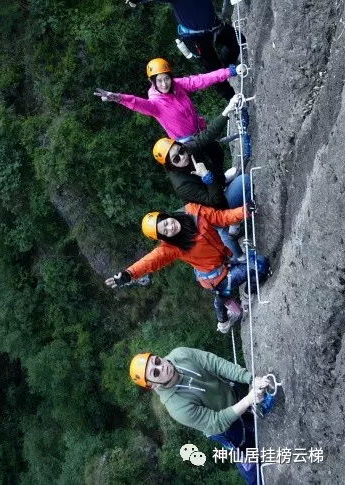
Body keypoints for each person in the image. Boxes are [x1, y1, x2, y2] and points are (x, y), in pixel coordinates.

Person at [106, 205, 269, 333]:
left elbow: (220, 217)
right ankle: (246, 298)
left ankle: (224, 302)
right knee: (260, 265)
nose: (170, 228)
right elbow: (151, 261)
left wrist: (244, 211)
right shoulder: (173, 247)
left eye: (166, 223)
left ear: (168, 215)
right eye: (165, 232)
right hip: (216, 276)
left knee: (248, 270)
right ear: (164, 238)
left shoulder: (194, 211)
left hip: (223, 260)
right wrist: (129, 274)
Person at [128, 346, 272, 484]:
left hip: (231, 395)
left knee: (255, 425)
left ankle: (254, 413)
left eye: (157, 361)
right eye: (155, 373)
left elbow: (215, 364)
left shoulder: (180, 354)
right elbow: (216, 422)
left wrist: (250, 378)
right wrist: (248, 400)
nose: (161, 368)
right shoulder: (177, 407)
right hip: (225, 429)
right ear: (152, 385)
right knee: (248, 459)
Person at [126, 0, 240, 99]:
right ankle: (235, 101)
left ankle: (227, 66)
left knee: (238, 42)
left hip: (214, 24)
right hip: (195, 38)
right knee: (214, 73)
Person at [151, 93, 252, 259]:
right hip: (211, 209)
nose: (182, 156)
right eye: (176, 158)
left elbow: (207, 135)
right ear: (170, 165)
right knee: (242, 185)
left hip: (215, 190)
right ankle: (236, 249)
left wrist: (228, 110)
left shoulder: (188, 149)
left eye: (181, 150)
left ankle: (232, 222)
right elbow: (215, 203)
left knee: (211, 146)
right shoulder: (182, 186)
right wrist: (207, 177)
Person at [94, 57, 246, 142]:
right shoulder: (154, 104)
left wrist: (229, 72)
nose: (164, 84)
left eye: (166, 79)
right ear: (152, 82)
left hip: (200, 131)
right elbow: (136, 103)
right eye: (159, 81)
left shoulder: (177, 85)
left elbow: (201, 80)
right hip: (188, 143)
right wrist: (118, 98)